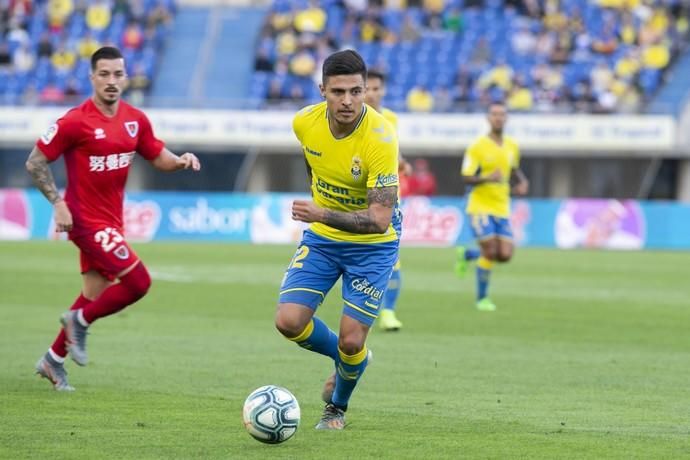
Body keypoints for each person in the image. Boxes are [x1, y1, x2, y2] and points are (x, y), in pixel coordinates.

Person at [27, 46, 201, 391]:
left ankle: (52, 360)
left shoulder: (136, 120)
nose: (111, 81)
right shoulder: (75, 121)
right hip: (84, 221)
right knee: (139, 283)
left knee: (93, 292)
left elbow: (157, 155)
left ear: (126, 77)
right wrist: (58, 203)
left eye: (117, 74)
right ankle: (80, 321)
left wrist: (179, 160)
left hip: (111, 222)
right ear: (92, 78)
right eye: (103, 74)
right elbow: (35, 161)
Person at [274, 50, 401, 430]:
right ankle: (355, 361)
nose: (348, 101)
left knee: (349, 340)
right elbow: (314, 160)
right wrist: (320, 207)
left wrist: (321, 212)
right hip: (324, 239)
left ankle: (336, 409)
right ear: (322, 90)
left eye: (356, 92)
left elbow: (379, 221)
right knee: (289, 321)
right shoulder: (303, 123)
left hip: (373, 247)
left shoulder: (381, 138)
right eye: (338, 92)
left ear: (365, 91)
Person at [455, 101, 528, 311]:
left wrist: (521, 181)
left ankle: (467, 255)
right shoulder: (477, 146)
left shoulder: (512, 145)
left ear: (506, 118)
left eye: (502, 114)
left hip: (502, 206)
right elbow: (466, 176)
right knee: (490, 251)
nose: (498, 118)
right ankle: (482, 298)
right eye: (494, 114)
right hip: (480, 206)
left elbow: (513, 169)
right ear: (488, 118)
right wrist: (486, 178)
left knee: (504, 255)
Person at [364, 69, 408, 332]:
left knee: (393, 259)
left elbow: (393, 151)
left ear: (383, 91)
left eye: (376, 88)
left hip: (388, 199)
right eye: (367, 88)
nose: (371, 93)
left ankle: (388, 313)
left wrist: (404, 163)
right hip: (357, 199)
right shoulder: (353, 119)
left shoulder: (391, 119)